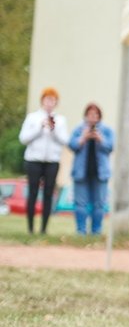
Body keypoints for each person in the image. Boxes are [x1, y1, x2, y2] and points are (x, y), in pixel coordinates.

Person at [18, 87, 71, 234]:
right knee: (33, 193)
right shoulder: (32, 118)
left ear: (56, 103)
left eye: (53, 100)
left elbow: (65, 140)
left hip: (52, 161)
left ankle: (44, 228)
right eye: (47, 99)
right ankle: (30, 228)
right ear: (42, 101)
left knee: (48, 194)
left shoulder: (60, 120)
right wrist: (40, 128)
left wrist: (53, 130)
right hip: (34, 160)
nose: (49, 103)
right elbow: (23, 138)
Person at [68, 103, 115, 236]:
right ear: (85, 116)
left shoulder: (106, 131)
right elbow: (71, 145)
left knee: (99, 204)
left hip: (100, 174)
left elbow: (111, 147)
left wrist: (100, 139)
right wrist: (83, 138)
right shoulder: (78, 130)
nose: (92, 117)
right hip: (81, 173)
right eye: (90, 114)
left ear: (99, 116)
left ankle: (96, 231)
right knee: (80, 204)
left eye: (95, 115)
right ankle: (81, 231)